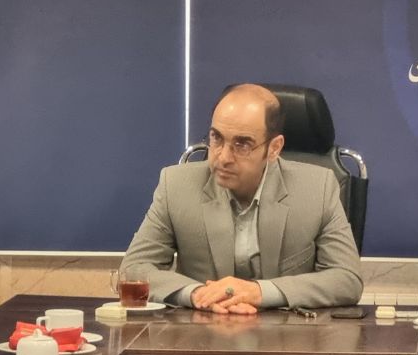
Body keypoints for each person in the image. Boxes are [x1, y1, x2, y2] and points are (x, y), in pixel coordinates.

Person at [121, 83, 362, 313]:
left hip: (286, 333)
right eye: (216, 138)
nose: (223, 157)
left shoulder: (317, 188)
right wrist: (198, 295)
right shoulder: (176, 185)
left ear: (274, 148)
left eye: (242, 144)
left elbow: (347, 278)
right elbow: (133, 269)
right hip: (201, 329)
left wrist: (258, 292)